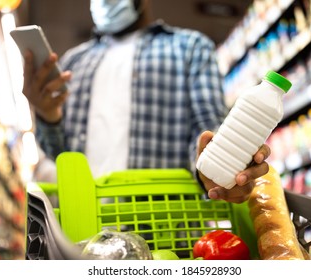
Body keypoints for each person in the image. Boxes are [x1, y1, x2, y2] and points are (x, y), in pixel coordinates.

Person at [23, 0, 271, 203]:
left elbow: (206, 126)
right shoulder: (73, 62)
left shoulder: (190, 48)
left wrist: (218, 164)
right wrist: (47, 115)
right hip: (81, 226)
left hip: (161, 232)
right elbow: (60, 156)